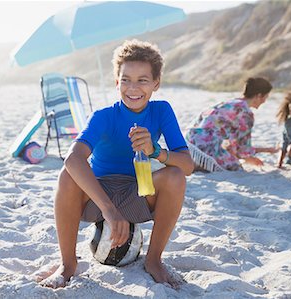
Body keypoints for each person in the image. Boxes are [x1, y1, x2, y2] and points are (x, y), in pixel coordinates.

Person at [38, 39, 194, 289]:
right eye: (126, 79)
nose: (133, 87)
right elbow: (73, 158)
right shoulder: (103, 116)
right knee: (67, 175)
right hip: (97, 199)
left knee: (175, 176)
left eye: (142, 80)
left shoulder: (161, 111)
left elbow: (187, 165)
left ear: (156, 84)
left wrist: (156, 151)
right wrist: (109, 210)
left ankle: (154, 260)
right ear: (116, 82)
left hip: (137, 194)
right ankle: (68, 264)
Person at [185, 77, 278, 171]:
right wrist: (267, 150)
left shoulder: (230, 103)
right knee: (236, 168)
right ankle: (201, 164)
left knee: (231, 159)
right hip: (205, 145)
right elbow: (243, 149)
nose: (265, 101)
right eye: (266, 97)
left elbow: (232, 144)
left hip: (189, 141)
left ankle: (197, 163)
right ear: (259, 96)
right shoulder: (246, 113)